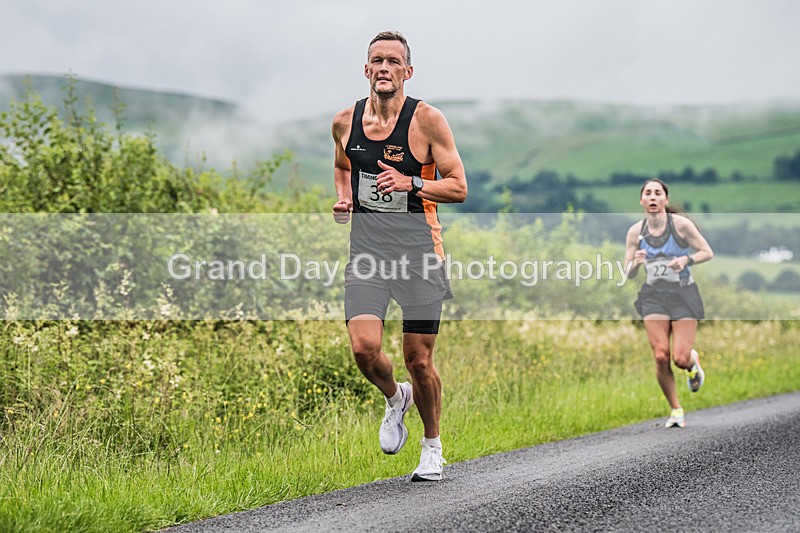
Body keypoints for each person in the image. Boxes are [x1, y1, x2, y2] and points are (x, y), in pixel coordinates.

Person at [331, 31, 467, 480]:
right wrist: (344, 198)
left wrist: (411, 183)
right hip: (368, 254)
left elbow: (459, 187)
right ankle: (395, 398)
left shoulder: (427, 121)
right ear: (366, 69)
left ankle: (432, 446)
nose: (384, 68)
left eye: (393, 61)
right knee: (364, 349)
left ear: (407, 71)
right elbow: (342, 165)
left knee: (420, 360)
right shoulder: (344, 122)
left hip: (419, 254)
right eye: (377, 61)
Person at [624, 178, 714, 428]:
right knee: (661, 356)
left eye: (657, 193)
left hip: (683, 294)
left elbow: (707, 252)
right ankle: (676, 409)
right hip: (654, 296)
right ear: (642, 201)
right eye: (648, 193)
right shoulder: (635, 232)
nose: (653, 197)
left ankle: (692, 362)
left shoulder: (681, 226)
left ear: (665, 199)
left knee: (679, 358)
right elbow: (627, 272)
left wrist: (686, 261)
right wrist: (636, 263)